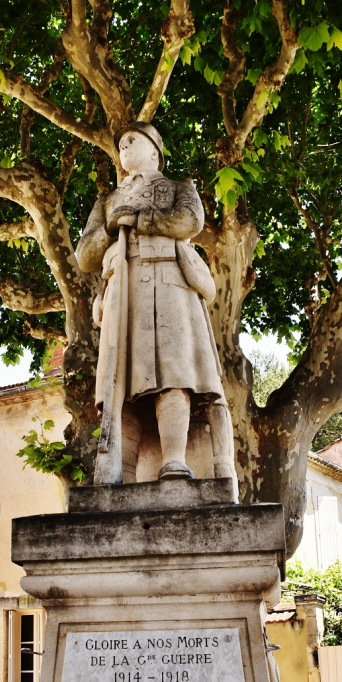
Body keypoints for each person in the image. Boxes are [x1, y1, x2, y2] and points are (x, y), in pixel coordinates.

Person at [76, 121, 235, 485]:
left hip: (171, 286)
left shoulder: (180, 188)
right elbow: (85, 256)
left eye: (133, 140)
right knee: (122, 388)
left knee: (174, 373)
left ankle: (175, 461)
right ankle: (122, 474)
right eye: (121, 144)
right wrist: (108, 228)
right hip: (122, 294)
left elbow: (190, 221)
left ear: (154, 150)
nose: (125, 148)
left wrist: (141, 218)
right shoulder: (107, 201)